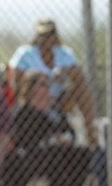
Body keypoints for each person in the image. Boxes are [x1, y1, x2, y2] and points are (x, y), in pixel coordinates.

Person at [0, 70, 94, 186]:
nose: (47, 88)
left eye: (48, 85)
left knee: (84, 152)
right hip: (36, 153)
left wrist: (66, 138)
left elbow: (70, 131)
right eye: (42, 85)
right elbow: (22, 139)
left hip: (61, 150)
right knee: (53, 148)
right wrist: (49, 139)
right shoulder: (24, 111)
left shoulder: (54, 109)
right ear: (31, 88)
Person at [8, 18, 97, 148]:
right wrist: (40, 80)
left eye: (49, 35)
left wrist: (65, 71)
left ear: (55, 36)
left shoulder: (64, 53)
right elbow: (15, 81)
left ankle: (91, 132)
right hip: (33, 101)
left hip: (57, 100)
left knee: (82, 87)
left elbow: (80, 77)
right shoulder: (26, 53)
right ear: (37, 36)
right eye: (42, 35)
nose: (46, 39)